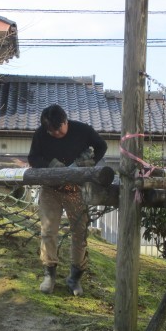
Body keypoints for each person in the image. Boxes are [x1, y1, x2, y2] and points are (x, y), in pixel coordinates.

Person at [28, 104, 108, 296]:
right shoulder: (40, 134)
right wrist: (50, 166)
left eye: (58, 129)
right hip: (51, 188)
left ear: (65, 121)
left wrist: (91, 161)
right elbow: (33, 158)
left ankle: (75, 277)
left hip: (76, 189)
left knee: (79, 233)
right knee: (48, 231)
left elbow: (102, 146)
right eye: (51, 131)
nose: (55, 133)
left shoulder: (82, 130)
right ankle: (49, 274)